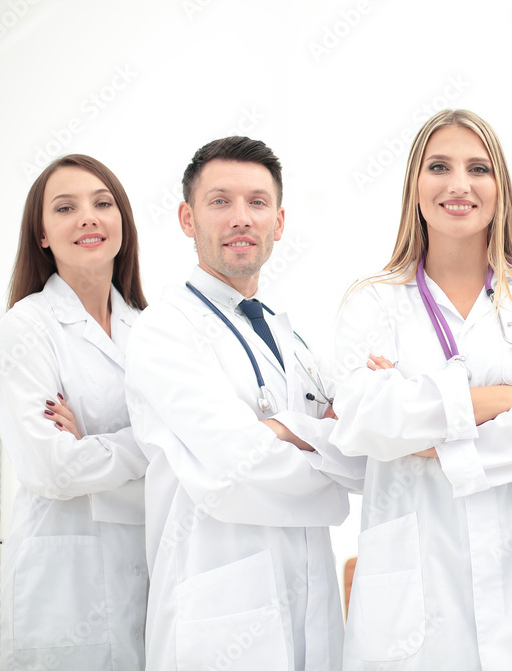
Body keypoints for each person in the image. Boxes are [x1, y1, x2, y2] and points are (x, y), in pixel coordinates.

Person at [331, 109, 512, 670]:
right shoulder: (373, 301)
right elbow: (362, 418)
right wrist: (499, 401)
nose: (459, 184)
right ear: (414, 185)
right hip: (413, 600)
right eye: (439, 167)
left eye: (478, 168)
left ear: (500, 187)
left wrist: (424, 431)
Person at [124, 136, 364, 670]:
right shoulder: (165, 330)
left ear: (279, 222)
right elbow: (238, 463)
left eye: (257, 202)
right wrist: (317, 438)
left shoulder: (288, 334)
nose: (241, 218)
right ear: (187, 219)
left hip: (310, 600)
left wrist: (282, 430)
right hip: (220, 610)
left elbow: (360, 452)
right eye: (220, 201)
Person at [0, 155, 149, 669]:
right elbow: (53, 470)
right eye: (65, 208)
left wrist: (90, 446)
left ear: (122, 220)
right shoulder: (27, 327)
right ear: (41, 234)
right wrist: (152, 441)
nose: (88, 217)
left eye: (103, 203)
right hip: (62, 590)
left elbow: (191, 459)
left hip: (148, 576)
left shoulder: (151, 330)